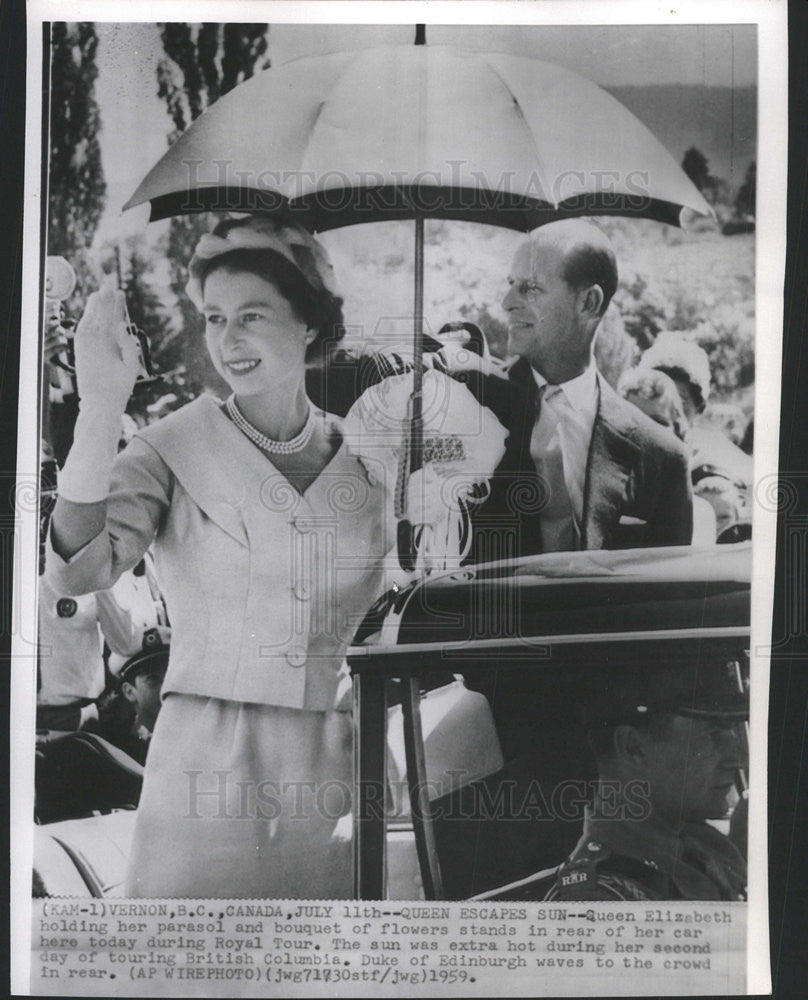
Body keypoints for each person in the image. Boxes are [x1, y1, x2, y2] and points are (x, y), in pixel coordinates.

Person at [46, 215, 397, 898]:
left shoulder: (370, 462)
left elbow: (393, 606)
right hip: (208, 761)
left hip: (340, 762)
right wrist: (100, 406)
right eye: (213, 317)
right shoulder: (170, 447)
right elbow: (76, 568)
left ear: (309, 325)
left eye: (251, 316)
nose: (226, 340)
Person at [464, 219, 693, 562]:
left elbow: (669, 605)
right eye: (511, 284)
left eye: (529, 287)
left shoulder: (663, 459)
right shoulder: (467, 408)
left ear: (588, 302)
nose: (507, 302)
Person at [476, 656, 749, 902]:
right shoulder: (594, 901)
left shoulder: (708, 847)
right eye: (711, 737)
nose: (738, 759)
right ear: (634, 747)